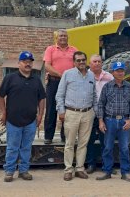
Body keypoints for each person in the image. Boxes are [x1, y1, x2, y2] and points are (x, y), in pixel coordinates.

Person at [0, 51, 46, 182]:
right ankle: (9, 171)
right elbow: (0, 96)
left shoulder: (36, 80)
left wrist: (40, 115)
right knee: (12, 147)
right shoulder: (10, 78)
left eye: (30, 62)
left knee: (26, 147)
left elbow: (42, 98)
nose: (27, 64)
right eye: (25, 61)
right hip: (13, 120)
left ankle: (24, 171)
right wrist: (3, 113)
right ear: (19, 63)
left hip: (31, 121)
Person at [56, 51, 97, 181]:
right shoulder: (68, 74)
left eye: (83, 60)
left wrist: (94, 111)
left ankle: (79, 168)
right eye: (78, 60)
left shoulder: (91, 75)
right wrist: (61, 111)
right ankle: (68, 169)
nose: (81, 62)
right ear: (74, 62)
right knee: (69, 143)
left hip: (88, 113)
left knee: (83, 144)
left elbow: (94, 95)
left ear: (86, 61)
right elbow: (59, 94)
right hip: (71, 113)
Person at [96, 61, 130, 182]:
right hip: (110, 121)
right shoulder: (107, 87)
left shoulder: (129, 86)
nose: (120, 73)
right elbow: (101, 104)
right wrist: (101, 121)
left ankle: (125, 172)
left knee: (124, 148)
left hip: (124, 121)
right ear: (113, 73)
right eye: (117, 71)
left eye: (122, 70)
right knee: (108, 147)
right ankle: (107, 171)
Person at [43, 29, 77, 144]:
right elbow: (47, 66)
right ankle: (48, 136)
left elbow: (78, 65)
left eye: (65, 36)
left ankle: (65, 136)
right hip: (54, 82)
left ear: (68, 37)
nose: (63, 37)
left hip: (69, 84)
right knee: (51, 109)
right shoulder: (50, 49)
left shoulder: (74, 50)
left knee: (67, 109)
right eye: (61, 36)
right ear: (57, 37)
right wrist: (60, 75)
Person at [85, 54, 114, 174]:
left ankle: (106, 165)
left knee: (105, 141)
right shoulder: (84, 76)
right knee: (89, 140)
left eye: (99, 61)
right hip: (89, 112)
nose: (97, 63)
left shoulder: (109, 76)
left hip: (105, 113)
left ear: (102, 63)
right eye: (94, 61)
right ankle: (91, 164)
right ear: (90, 64)